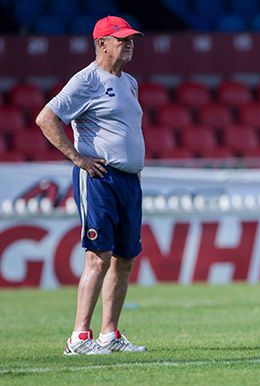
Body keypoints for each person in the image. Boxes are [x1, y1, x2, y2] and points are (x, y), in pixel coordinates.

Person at [35, 15, 147, 355]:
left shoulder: (129, 82)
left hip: (128, 180)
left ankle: (109, 334)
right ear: (101, 44)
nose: (129, 44)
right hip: (99, 178)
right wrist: (77, 158)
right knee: (98, 257)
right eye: (122, 39)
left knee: (124, 258)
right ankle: (79, 338)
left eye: (130, 39)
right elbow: (46, 118)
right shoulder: (86, 80)